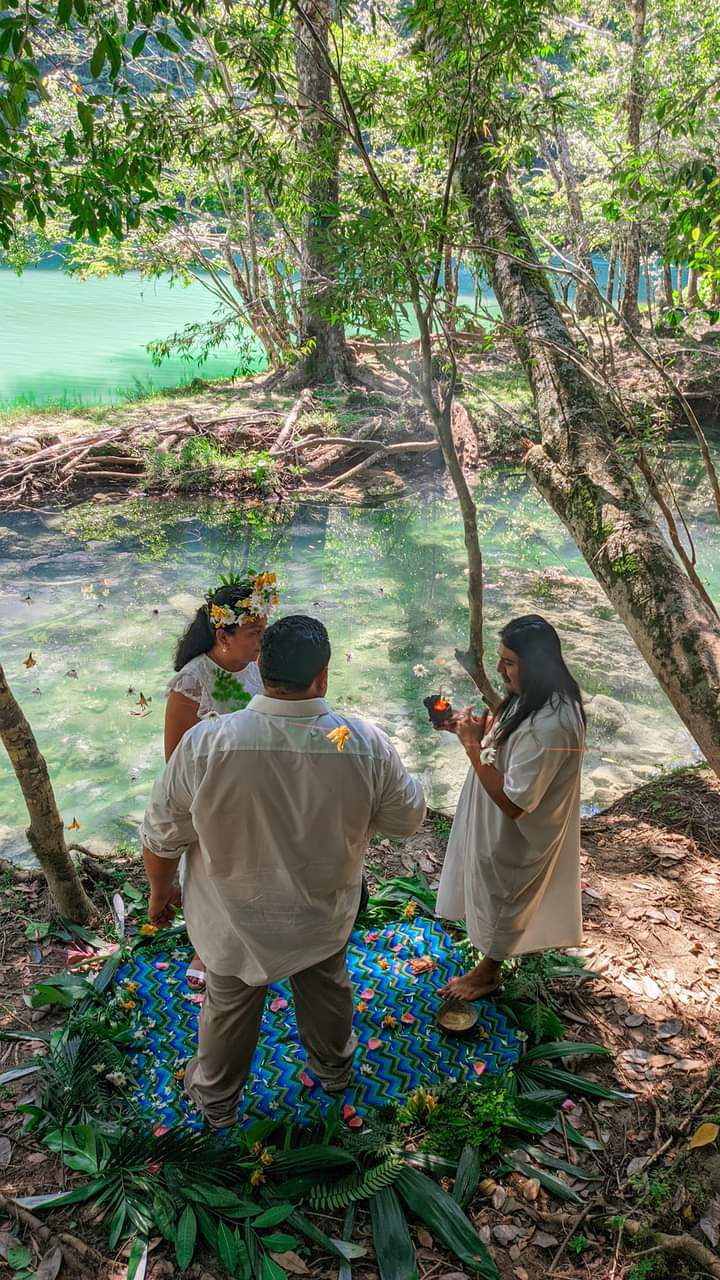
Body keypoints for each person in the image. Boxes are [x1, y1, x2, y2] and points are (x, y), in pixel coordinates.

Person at [141, 614, 426, 1129]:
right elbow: (406, 819)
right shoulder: (360, 740)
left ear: (261, 666)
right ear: (322, 675)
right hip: (323, 911)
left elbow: (162, 833)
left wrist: (160, 891)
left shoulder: (209, 743)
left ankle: (218, 1102)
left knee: (227, 1007)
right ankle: (334, 1071)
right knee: (327, 989)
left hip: (233, 918)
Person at [436, 614, 586, 1001]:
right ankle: (486, 953)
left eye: (509, 662)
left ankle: (488, 973)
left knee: (505, 896)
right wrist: (472, 729)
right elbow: (510, 738)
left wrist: (472, 747)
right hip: (495, 815)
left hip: (515, 829)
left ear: (534, 665)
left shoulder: (552, 725)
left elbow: (516, 804)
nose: (500, 669)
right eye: (501, 659)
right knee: (491, 886)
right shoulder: (535, 696)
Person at [164, 571, 279, 988]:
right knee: (214, 874)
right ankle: (206, 947)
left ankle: (254, 934)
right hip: (213, 795)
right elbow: (175, 759)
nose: (261, 642)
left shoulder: (258, 668)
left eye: (263, 631)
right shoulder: (192, 681)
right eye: (253, 632)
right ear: (222, 633)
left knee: (255, 869)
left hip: (259, 784)